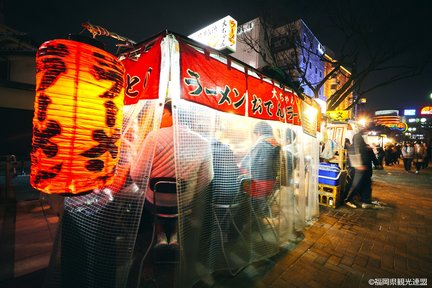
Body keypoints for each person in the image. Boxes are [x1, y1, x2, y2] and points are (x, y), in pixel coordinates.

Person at [130, 100, 213, 246]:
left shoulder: (153, 137)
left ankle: (160, 236)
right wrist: (190, 192)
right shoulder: (203, 142)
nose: (159, 118)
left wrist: (148, 190)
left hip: (155, 201)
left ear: (171, 114)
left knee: (146, 202)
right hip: (183, 202)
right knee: (178, 208)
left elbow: (136, 173)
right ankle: (174, 237)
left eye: (162, 114)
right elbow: (207, 177)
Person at [239, 121, 281, 216]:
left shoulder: (261, 145)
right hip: (271, 184)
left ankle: (250, 220)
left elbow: (247, 164)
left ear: (259, 133)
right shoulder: (275, 144)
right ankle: (261, 214)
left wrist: (240, 167)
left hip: (258, 186)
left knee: (237, 187)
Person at [344, 125, 379, 209]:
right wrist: (358, 165)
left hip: (360, 169)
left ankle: (364, 200)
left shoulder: (359, 145)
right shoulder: (360, 143)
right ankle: (349, 199)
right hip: (359, 169)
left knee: (362, 185)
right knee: (357, 185)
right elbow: (355, 153)